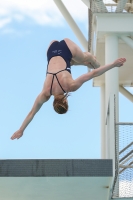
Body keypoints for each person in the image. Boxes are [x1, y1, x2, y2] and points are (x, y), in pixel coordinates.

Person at [10, 38, 126, 140]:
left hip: (67, 48)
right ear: (53, 103)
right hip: (51, 49)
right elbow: (31, 113)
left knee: (93, 64)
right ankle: (76, 62)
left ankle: (88, 58)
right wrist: (20, 129)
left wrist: (113, 64)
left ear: (65, 101)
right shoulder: (45, 93)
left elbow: (93, 74)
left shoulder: (70, 87)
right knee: (73, 62)